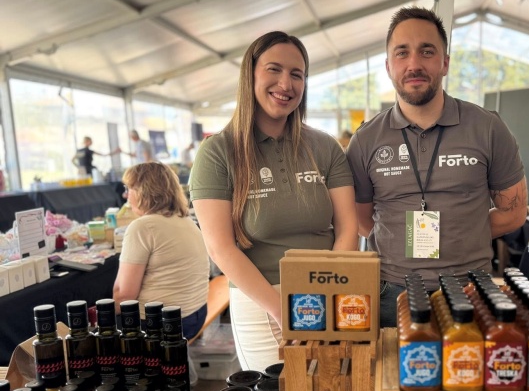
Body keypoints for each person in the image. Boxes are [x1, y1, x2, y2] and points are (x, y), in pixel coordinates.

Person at [346, 7, 527, 328]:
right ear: (388, 66)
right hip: (392, 293)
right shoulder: (366, 139)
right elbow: (361, 220)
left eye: (427, 51)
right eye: (402, 53)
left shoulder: (487, 128)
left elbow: (513, 212)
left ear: (445, 63)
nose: (414, 64)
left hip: (471, 289)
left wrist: (463, 232)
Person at [189, 31, 358, 371]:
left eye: (297, 74)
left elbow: (348, 228)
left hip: (328, 293)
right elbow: (221, 249)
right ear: (250, 74)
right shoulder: (218, 152)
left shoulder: (325, 147)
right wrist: (285, 311)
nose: (286, 83)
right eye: (274, 69)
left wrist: (330, 293)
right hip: (262, 301)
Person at [112, 162, 209, 340]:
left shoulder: (142, 227)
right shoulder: (185, 220)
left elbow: (124, 296)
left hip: (161, 325)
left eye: (129, 189)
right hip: (195, 316)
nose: (126, 195)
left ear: (143, 191)